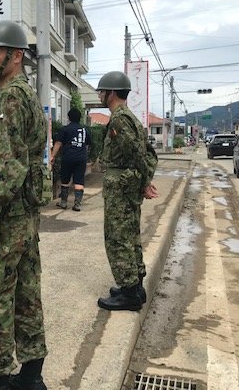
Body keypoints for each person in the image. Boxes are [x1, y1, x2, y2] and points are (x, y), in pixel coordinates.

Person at [0, 20, 48, 390]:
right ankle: (31, 377)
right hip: (24, 216)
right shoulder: (27, 95)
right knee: (27, 291)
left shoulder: (10, 99)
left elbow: (7, 164)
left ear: (16, 57)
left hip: (6, 217)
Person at [95, 71, 159, 312]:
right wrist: (144, 179)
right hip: (127, 187)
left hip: (120, 189)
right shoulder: (130, 117)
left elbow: (136, 153)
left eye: (102, 91)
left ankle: (130, 293)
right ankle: (134, 285)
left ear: (111, 93)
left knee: (117, 237)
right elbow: (149, 154)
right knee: (130, 234)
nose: (100, 95)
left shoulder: (119, 120)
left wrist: (145, 182)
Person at [50, 107, 91, 211]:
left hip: (68, 157)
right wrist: (83, 154)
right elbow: (86, 145)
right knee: (79, 180)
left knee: (65, 179)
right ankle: (77, 204)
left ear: (69, 118)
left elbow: (58, 143)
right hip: (81, 158)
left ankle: (63, 202)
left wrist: (52, 156)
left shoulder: (65, 129)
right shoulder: (84, 130)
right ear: (79, 118)